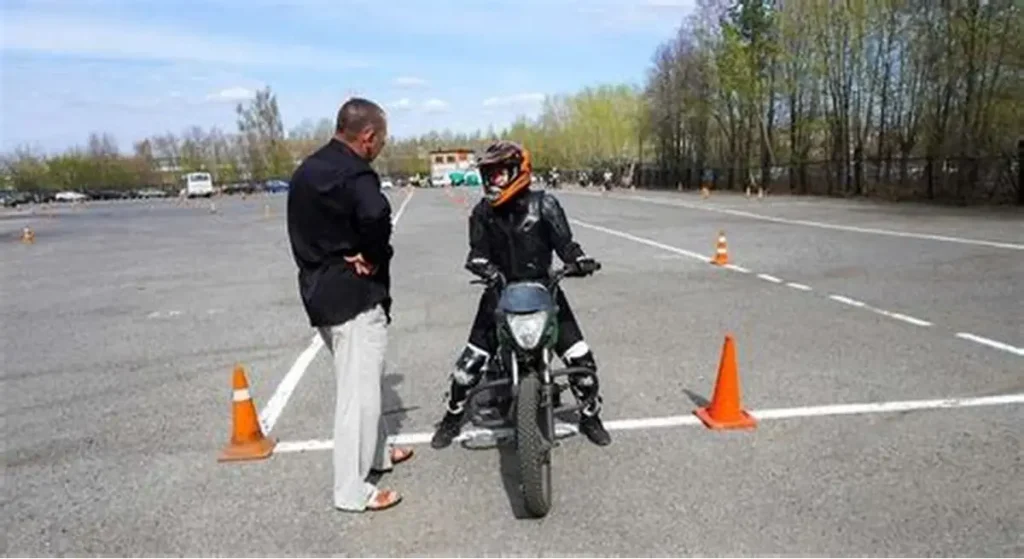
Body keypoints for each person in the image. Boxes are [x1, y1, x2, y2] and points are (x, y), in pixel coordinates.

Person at [430, 140, 611, 449]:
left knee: (583, 363)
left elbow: (566, 244)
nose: (492, 180)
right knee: (466, 369)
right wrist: (483, 267)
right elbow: (476, 252)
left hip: (545, 291)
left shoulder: (546, 205)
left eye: (499, 173)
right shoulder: (482, 213)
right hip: (499, 294)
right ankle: (452, 415)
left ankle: (591, 416)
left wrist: (577, 260)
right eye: (488, 174)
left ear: (519, 171)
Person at [286, 97, 412, 513]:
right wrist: (370, 254)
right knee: (358, 395)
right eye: (382, 140)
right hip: (353, 298)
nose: (380, 148)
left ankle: (376, 454)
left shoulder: (307, 171)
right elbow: (377, 216)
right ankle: (351, 490)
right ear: (368, 136)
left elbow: (305, 233)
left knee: (366, 382)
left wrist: (333, 254)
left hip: (318, 289)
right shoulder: (357, 174)